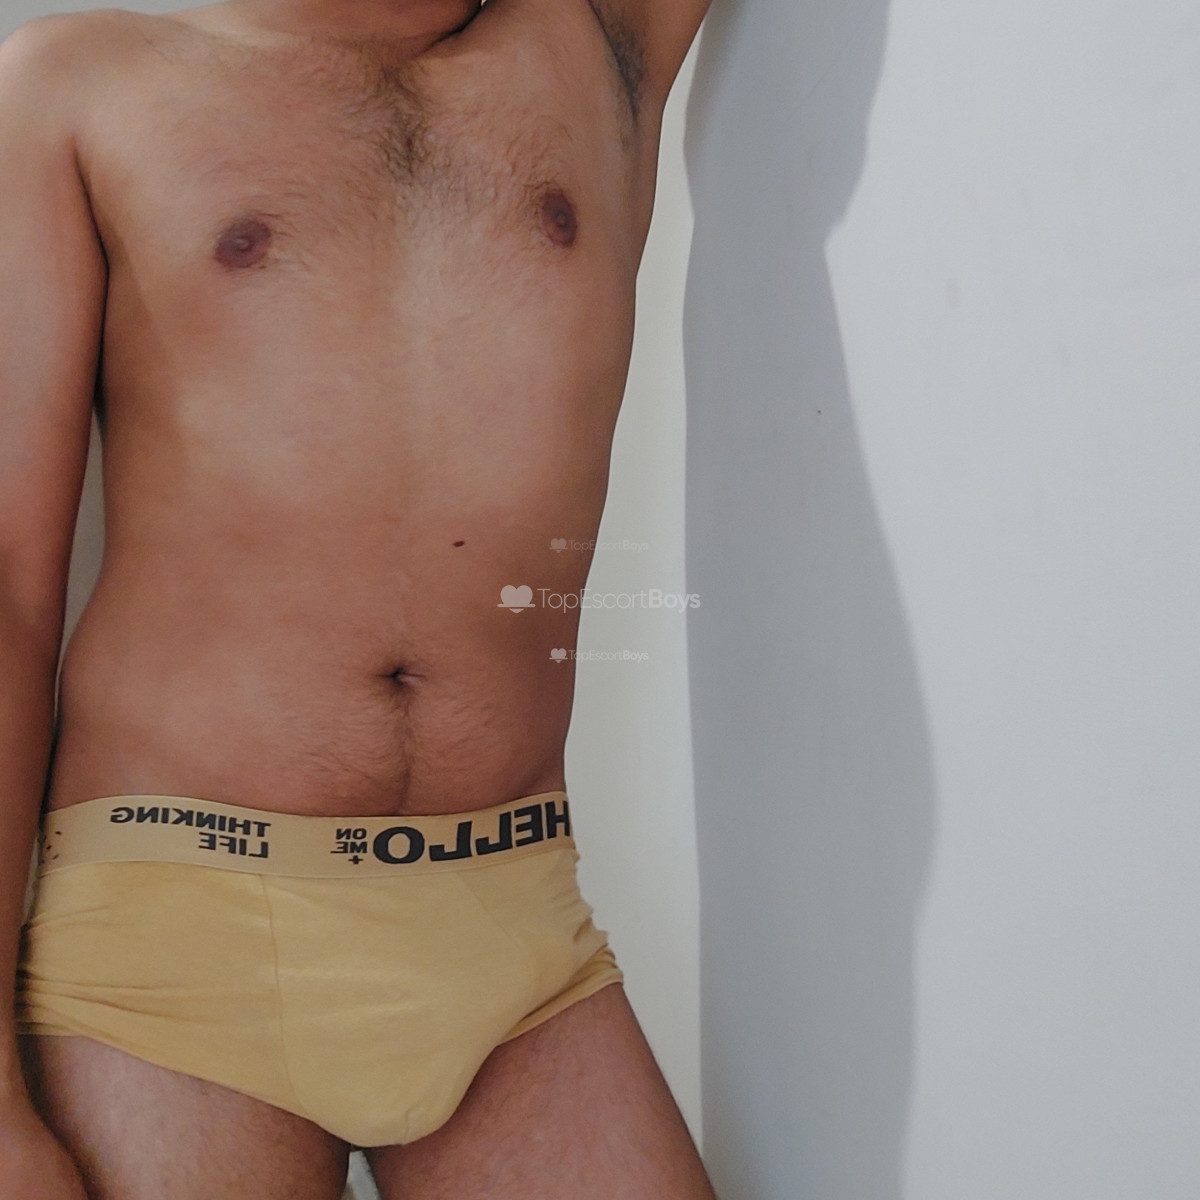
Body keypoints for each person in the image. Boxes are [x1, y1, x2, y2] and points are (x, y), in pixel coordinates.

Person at [0, 0, 717, 1196]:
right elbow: (11, 595)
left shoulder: (594, 44)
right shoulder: (79, 87)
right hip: (171, 951)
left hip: (515, 936)